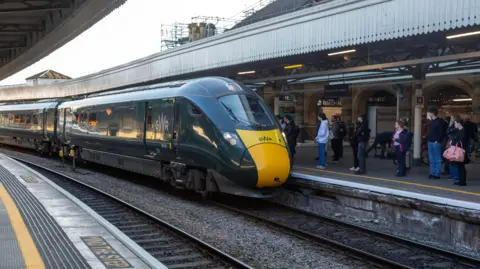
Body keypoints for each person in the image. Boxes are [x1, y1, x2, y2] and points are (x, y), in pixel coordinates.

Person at [427, 107, 447, 179]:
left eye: (429, 112)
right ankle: (432, 173)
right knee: (431, 158)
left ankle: (437, 173)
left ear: (432, 113)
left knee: (437, 158)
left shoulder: (440, 121)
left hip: (436, 142)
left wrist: (438, 140)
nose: (428, 114)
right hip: (430, 141)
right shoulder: (431, 121)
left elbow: (442, 131)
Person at [450, 115, 470, 186]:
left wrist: (453, 141)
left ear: (458, 123)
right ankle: (461, 180)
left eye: (455, 123)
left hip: (461, 151)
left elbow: (460, 141)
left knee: (461, 166)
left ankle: (462, 182)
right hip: (461, 151)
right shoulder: (461, 131)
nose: (454, 125)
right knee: (460, 166)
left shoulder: (462, 132)